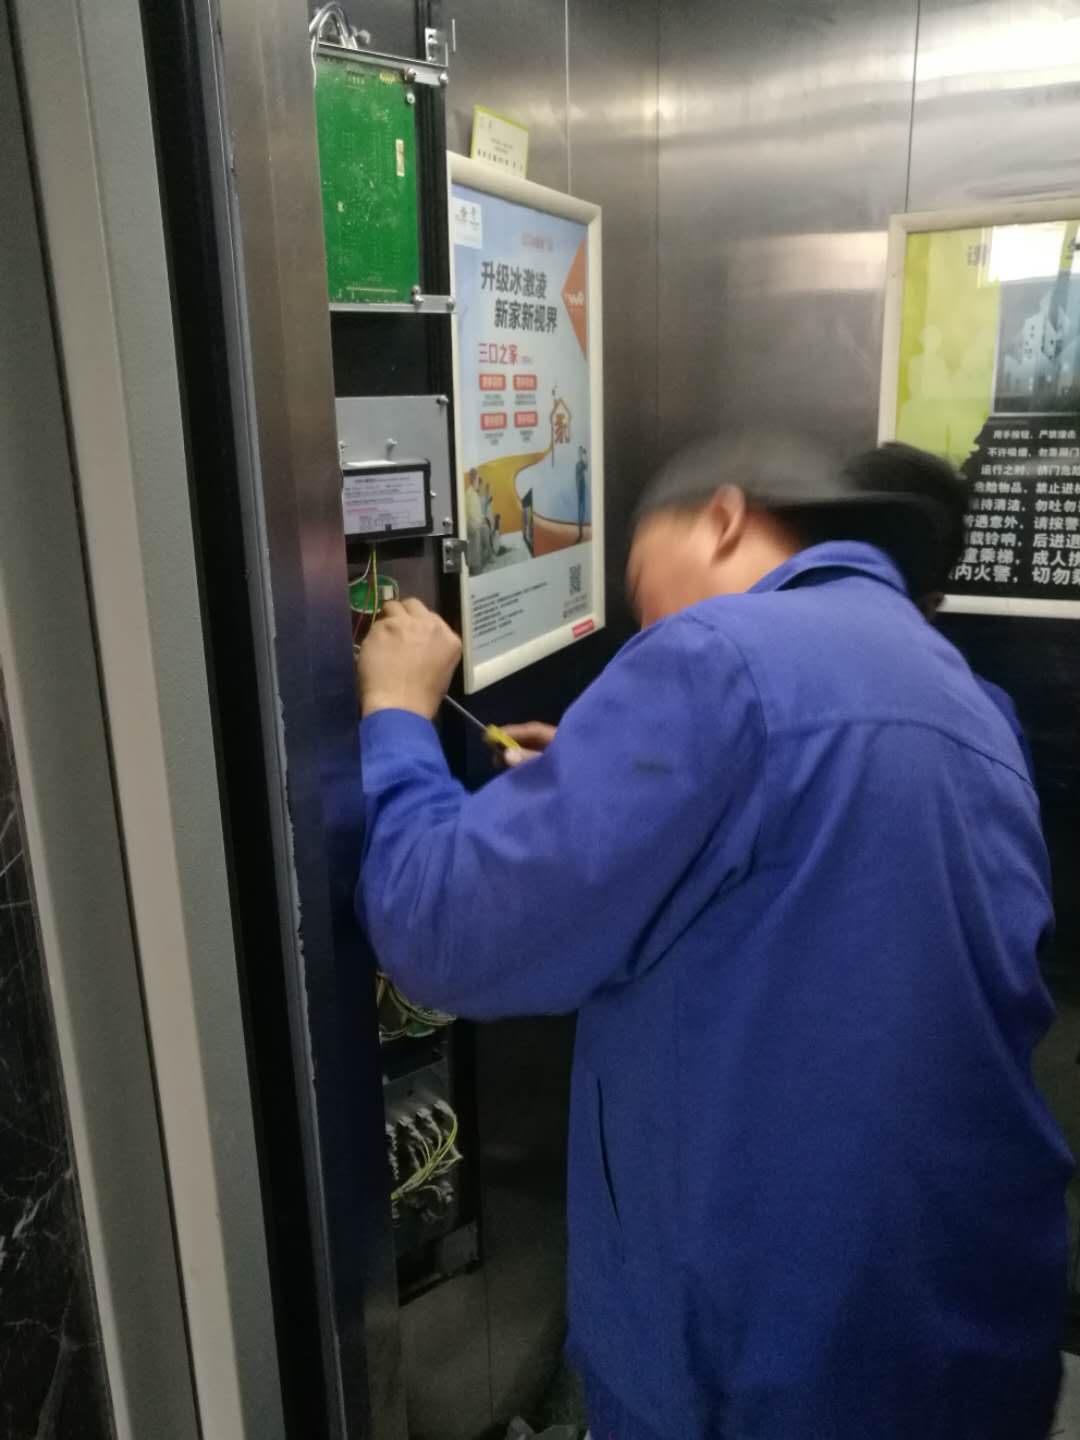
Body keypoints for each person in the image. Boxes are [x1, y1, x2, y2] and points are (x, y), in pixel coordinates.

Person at [356, 436, 1071, 1440]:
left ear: (724, 520)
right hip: (968, 1321)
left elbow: (441, 929)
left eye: (641, 580)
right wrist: (594, 780)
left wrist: (396, 714)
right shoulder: (958, 692)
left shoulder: (717, 657)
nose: (645, 620)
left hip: (769, 1360)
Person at [576, 445, 589, 542]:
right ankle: (580, 532)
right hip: (580, 489)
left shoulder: (580, 463)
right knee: (581, 510)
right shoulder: (578, 464)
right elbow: (585, 466)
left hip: (582, 489)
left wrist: (585, 455)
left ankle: (580, 532)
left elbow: (586, 466)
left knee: (582, 510)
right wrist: (585, 455)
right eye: (580, 452)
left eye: (581, 452)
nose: (581, 453)